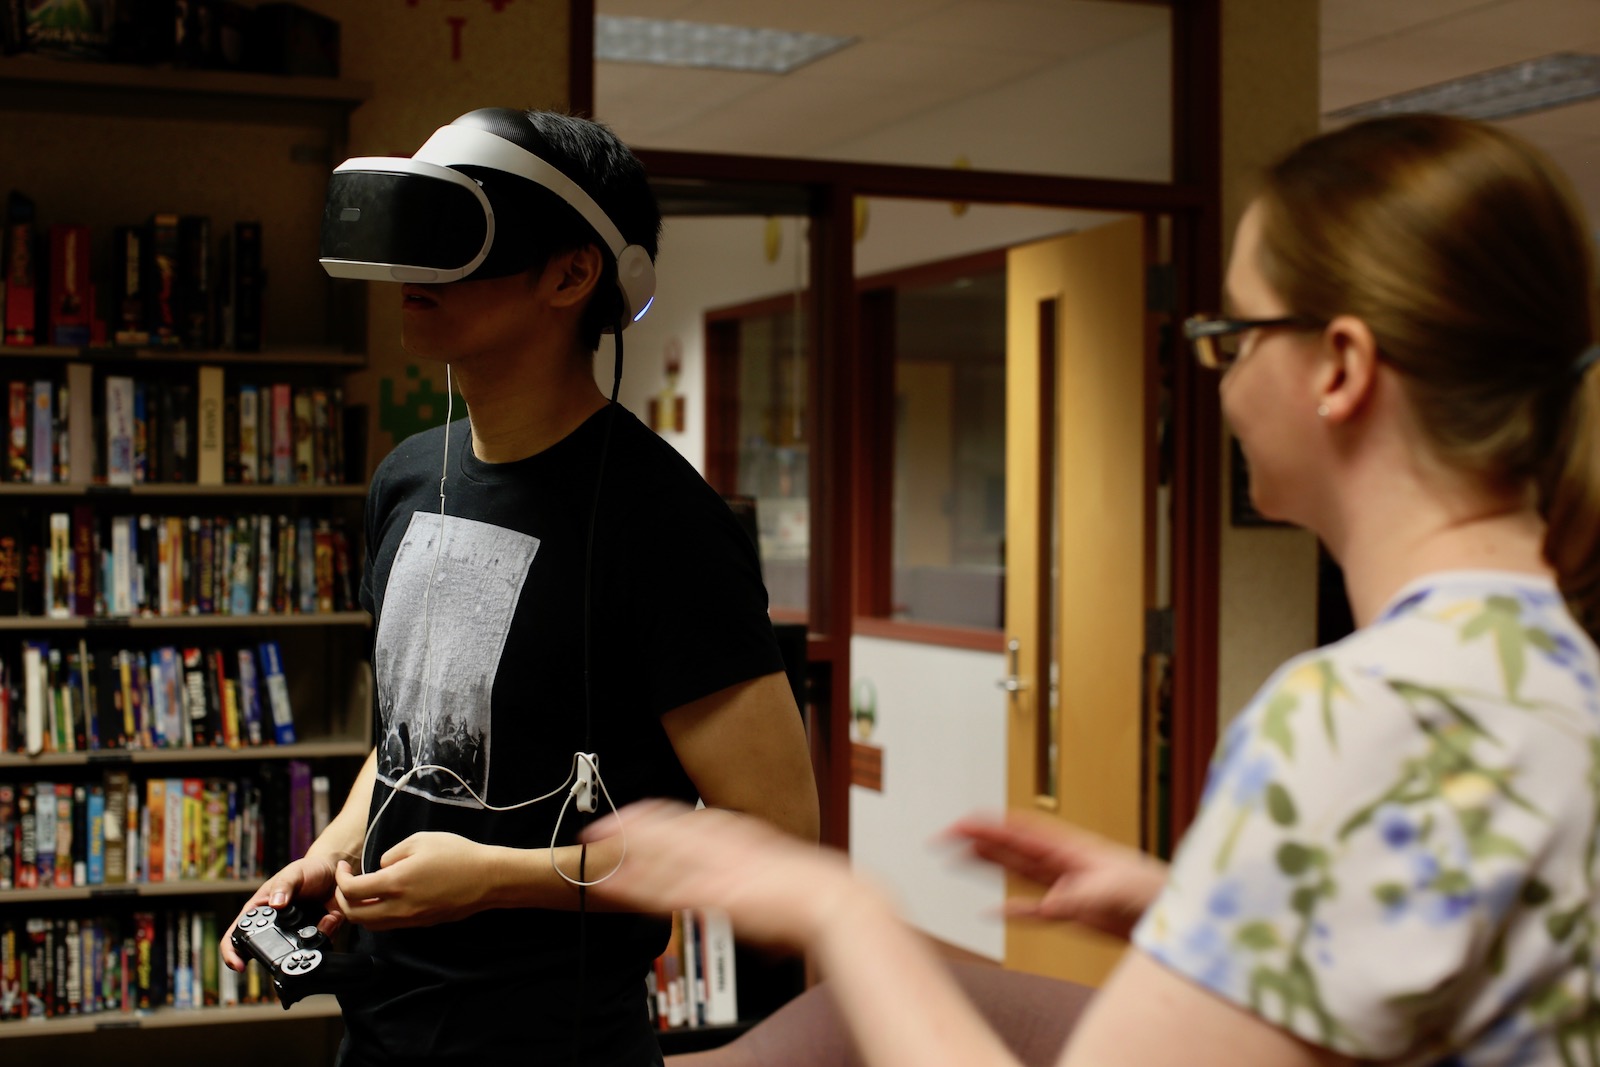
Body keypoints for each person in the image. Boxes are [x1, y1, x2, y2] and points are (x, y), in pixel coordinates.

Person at [583, 113, 1600, 1067]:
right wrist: (1192, 907)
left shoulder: (1362, 713)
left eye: (1235, 338)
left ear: (1338, 366)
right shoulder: (1557, 670)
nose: (1217, 379)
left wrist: (835, 908)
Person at [219, 107, 820, 1067]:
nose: (414, 275)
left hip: (556, 1040)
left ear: (572, 273)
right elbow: (406, 733)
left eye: (451, 238)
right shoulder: (408, 476)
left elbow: (776, 837)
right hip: (379, 1025)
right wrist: (334, 846)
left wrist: (498, 877)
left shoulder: (666, 526)